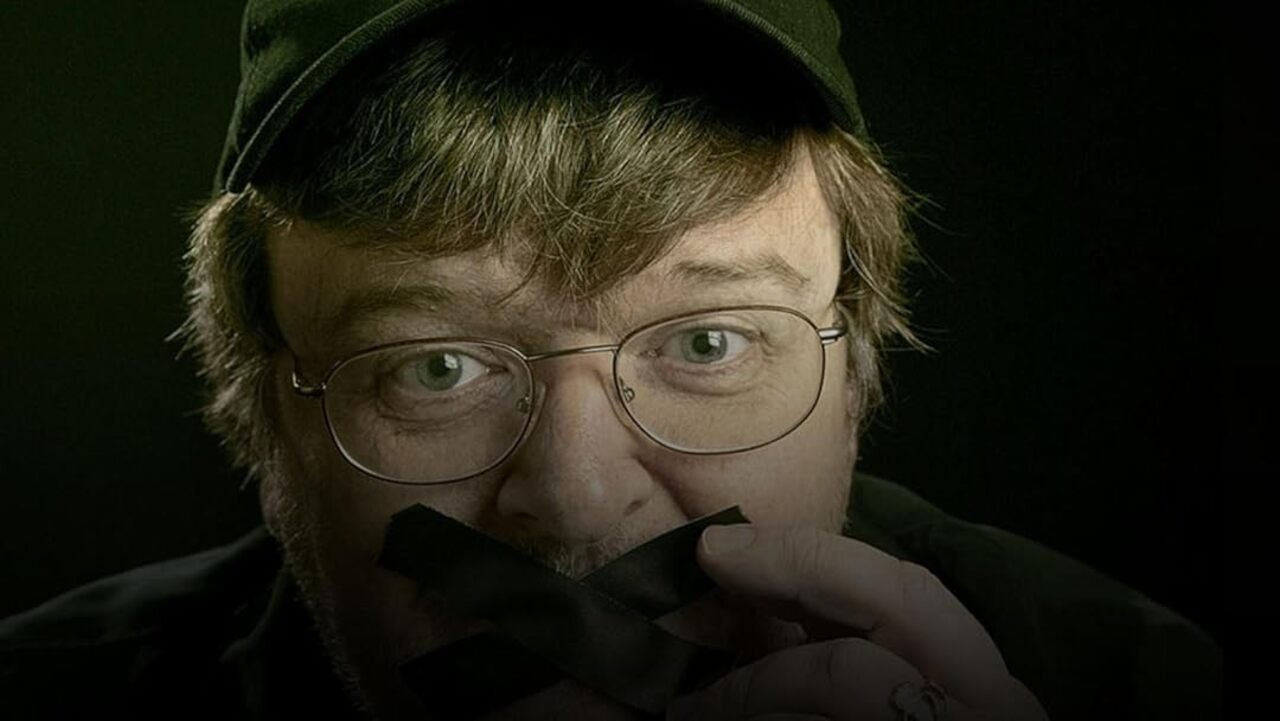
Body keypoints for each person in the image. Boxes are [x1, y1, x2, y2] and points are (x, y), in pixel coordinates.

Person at [0, 0, 1222, 719]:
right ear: (263, 415)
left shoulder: (1125, 688)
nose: (578, 501)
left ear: (855, 376)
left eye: (707, 342)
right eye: (433, 366)